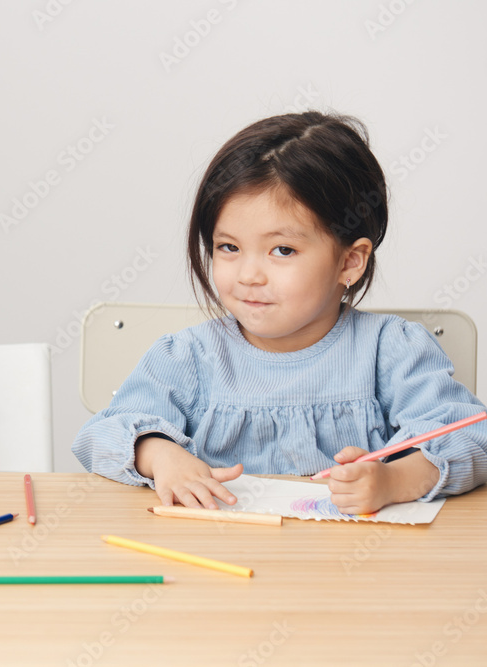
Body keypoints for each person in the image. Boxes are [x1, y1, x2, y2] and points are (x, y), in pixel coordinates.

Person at [72, 111, 486, 515]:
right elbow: (100, 436)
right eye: (229, 247)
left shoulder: (391, 350)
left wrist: (397, 480)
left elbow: (472, 437)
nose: (249, 275)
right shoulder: (187, 358)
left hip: (352, 558)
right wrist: (160, 455)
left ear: (349, 262)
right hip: (215, 554)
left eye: (282, 250)